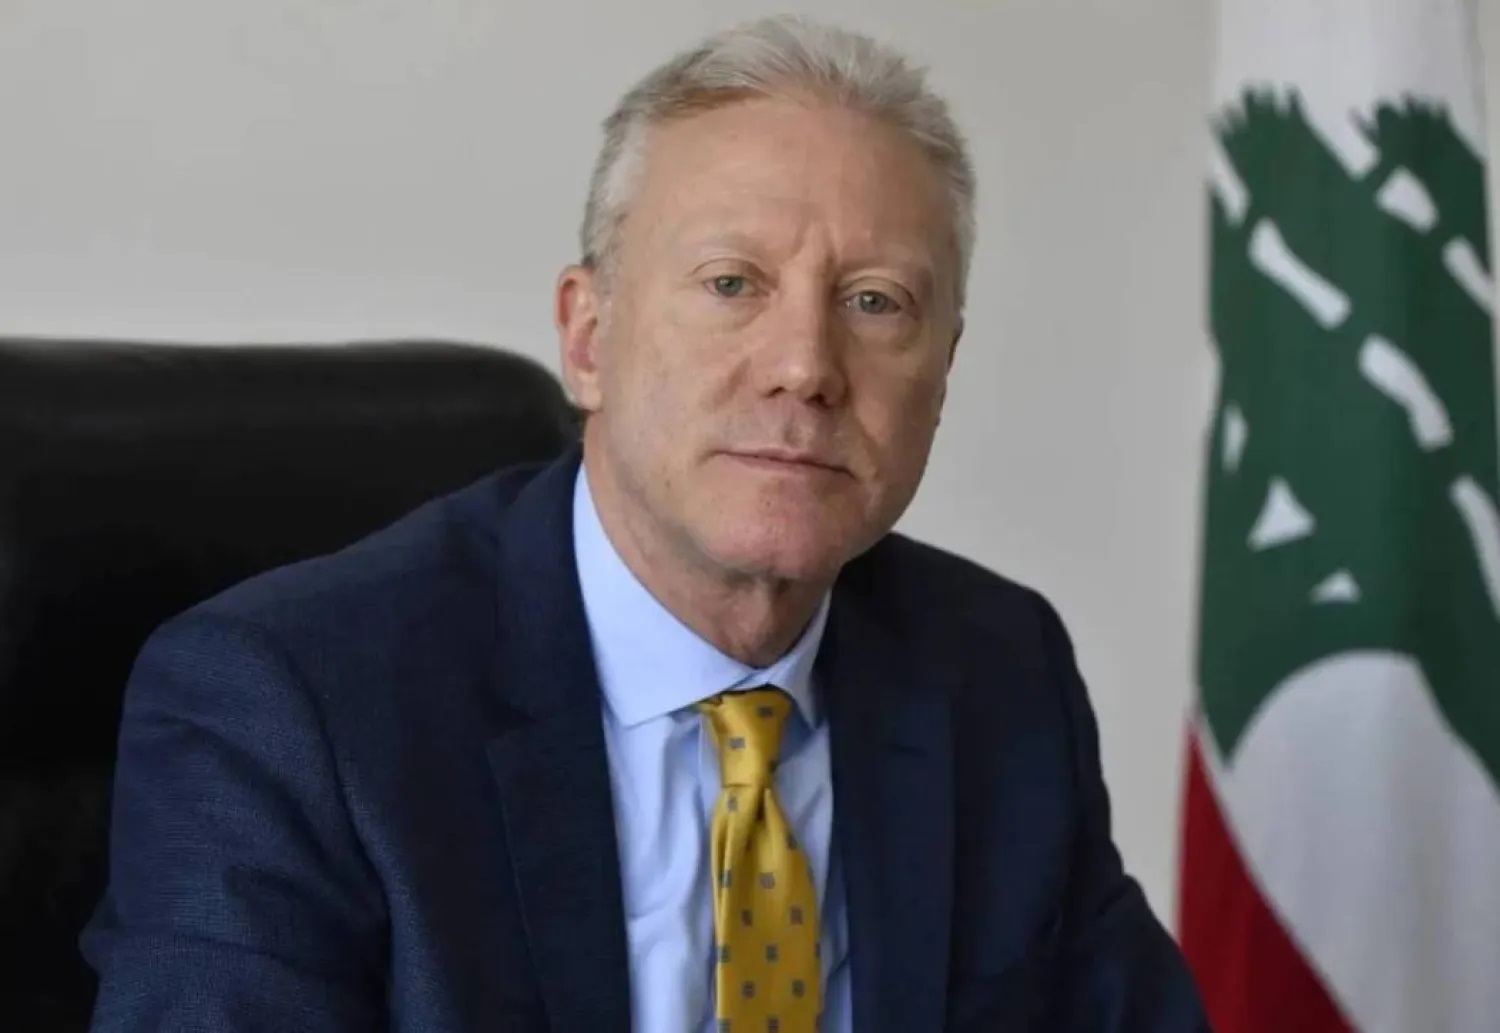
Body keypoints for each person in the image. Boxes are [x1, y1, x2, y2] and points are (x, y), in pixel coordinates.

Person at [81, 15, 1208, 1033]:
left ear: (943, 370)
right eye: (732, 283)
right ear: (588, 338)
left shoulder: (997, 672)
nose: (806, 366)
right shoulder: (288, 709)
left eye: (875, 302)